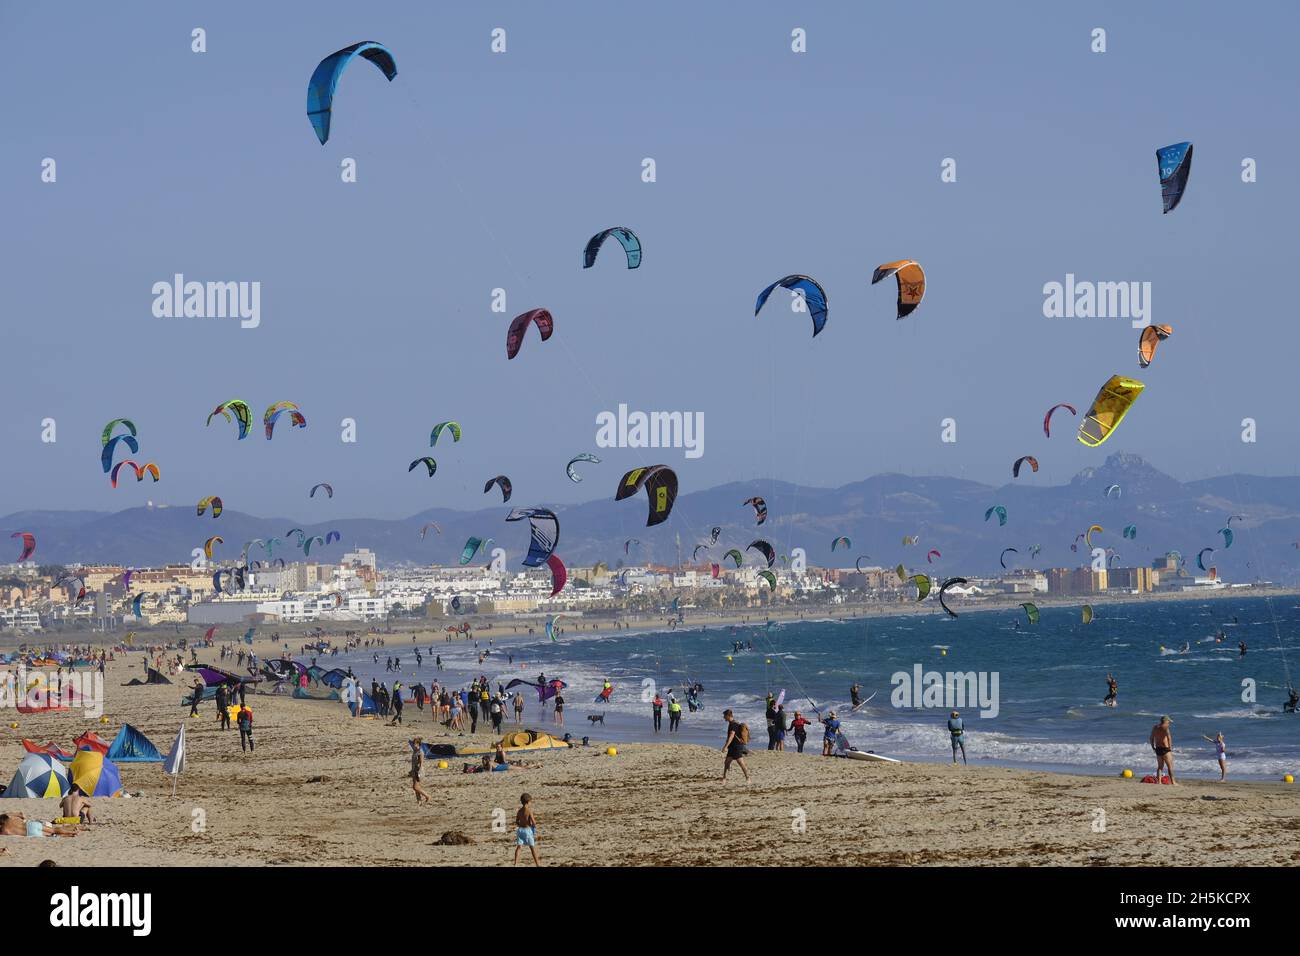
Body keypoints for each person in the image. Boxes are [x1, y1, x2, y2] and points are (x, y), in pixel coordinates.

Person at [721, 709, 751, 782]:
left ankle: (748, 778)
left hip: (737, 746)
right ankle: (724, 778)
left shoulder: (733, 724)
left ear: (728, 716)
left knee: (741, 763)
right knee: (727, 762)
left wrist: (725, 747)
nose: (723, 717)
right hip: (732, 746)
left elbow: (731, 736)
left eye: (724, 716)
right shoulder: (732, 723)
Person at [513, 793, 541, 866]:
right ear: (528, 802)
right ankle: (537, 864)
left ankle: (515, 864)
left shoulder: (519, 811)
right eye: (530, 802)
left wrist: (520, 825)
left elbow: (517, 821)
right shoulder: (529, 811)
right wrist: (534, 827)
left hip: (520, 830)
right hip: (527, 830)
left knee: (519, 847)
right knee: (532, 848)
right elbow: (534, 822)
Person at [1148, 716, 1176, 784]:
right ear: (1166, 721)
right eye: (1168, 722)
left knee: (1160, 767)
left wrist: (1153, 746)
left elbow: (1151, 738)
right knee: (1170, 766)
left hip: (1158, 748)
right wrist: (1170, 748)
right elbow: (1169, 738)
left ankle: (1159, 782)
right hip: (1165, 749)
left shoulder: (1155, 727)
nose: (1169, 723)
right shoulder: (1166, 728)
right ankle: (1173, 782)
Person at [409, 739, 431, 804]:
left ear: (418, 744)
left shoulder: (420, 752)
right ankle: (419, 801)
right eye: (413, 744)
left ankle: (427, 796)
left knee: (415, 787)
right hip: (414, 770)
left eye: (415, 744)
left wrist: (419, 771)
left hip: (418, 771)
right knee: (416, 787)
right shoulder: (415, 751)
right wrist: (411, 770)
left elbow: (421, 763)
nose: (413, 745)